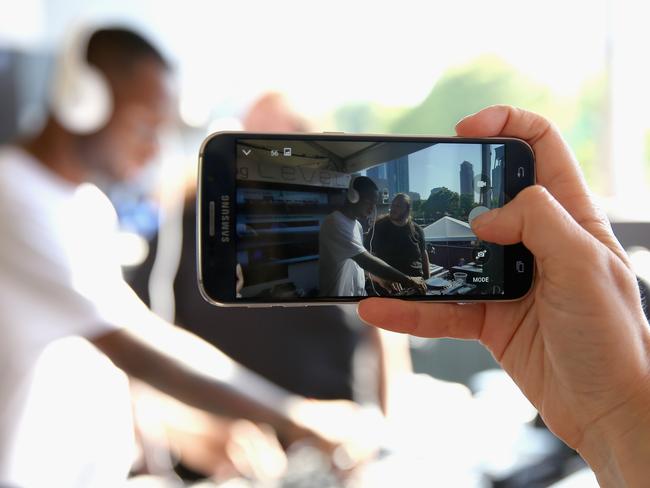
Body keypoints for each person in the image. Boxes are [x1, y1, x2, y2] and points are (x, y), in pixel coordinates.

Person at [0, 27, 357, 487]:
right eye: (145, 125)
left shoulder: (86, 205)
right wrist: (298, 415)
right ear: (81, 100)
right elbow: (137, 344)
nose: (154, 149)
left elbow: (82, 356)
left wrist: (187, 431)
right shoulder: (13, 197)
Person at [358, 105, 650, 487]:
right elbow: (375, 256)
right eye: (397, 204)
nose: (400, 208)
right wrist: (619, 414)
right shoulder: (380, 227)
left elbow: (423, 252)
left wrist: (620, 410)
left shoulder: (414, 227)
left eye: (403, 205)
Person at [319, 176, 427, 297]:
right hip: (337, 301)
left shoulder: (357, 225)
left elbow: (358, 265)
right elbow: (365, 261)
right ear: (353, 197)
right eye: (369, 202)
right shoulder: (335, 222)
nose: (372, 209)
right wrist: (409, 280)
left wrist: (379, 279)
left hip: (356, 297)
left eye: (374, 204)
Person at [369, 193, 430, 289]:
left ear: (407, 210)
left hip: (417, 285)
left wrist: (427, 280)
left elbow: (424, 254)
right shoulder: (379, 227)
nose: (393, 208)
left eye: (397, 206)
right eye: (392, 205)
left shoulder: (417, 230)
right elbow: (367, 257)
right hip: (390, 286)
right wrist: (379, 279)